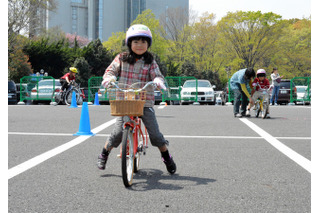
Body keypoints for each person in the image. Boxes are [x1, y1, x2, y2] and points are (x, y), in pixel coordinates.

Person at [97, 24, 176, 174]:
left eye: (143, 42)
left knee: (154, 134)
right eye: (136, 42)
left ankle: (166, 156)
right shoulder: (121, 58)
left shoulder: (150, 61)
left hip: (144, 101)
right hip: (124, 100)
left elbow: (157, 75)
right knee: (118, 133)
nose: (140, 45)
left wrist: (158, 81)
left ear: (148, 44)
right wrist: (110, 78)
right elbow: (110, 70)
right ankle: (104, 153)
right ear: (129, 44)